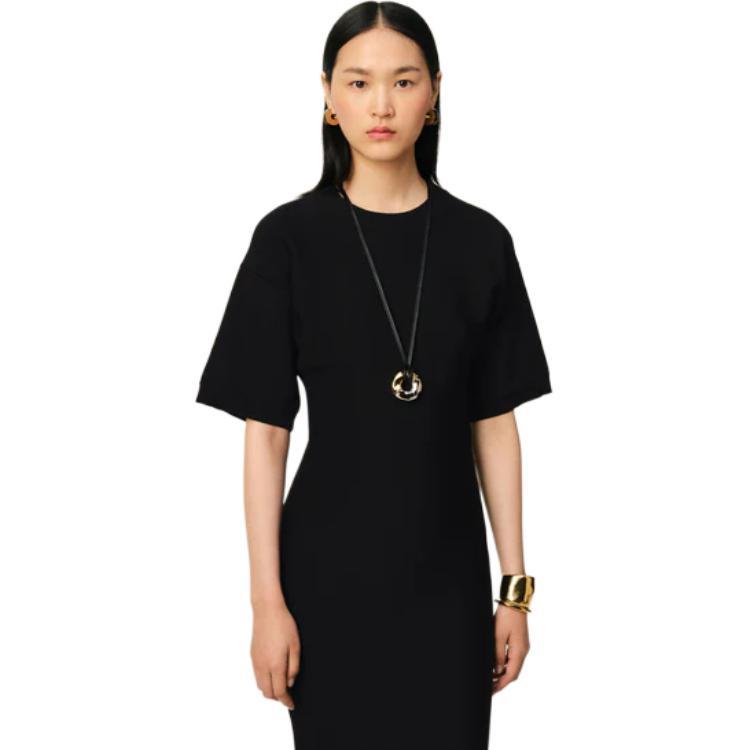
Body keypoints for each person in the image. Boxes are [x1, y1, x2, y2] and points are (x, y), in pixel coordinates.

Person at [195, 3, 552, 748]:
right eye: (359, 83)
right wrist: (266, 603)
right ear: (328, 95)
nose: (381, 105)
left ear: (436, 92)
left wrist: (515, 592)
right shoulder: (287, 241)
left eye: (404, 81)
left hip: (449, 581)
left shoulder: (482, 242)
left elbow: (495, 423)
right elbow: (266, 436)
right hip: (325, 581)